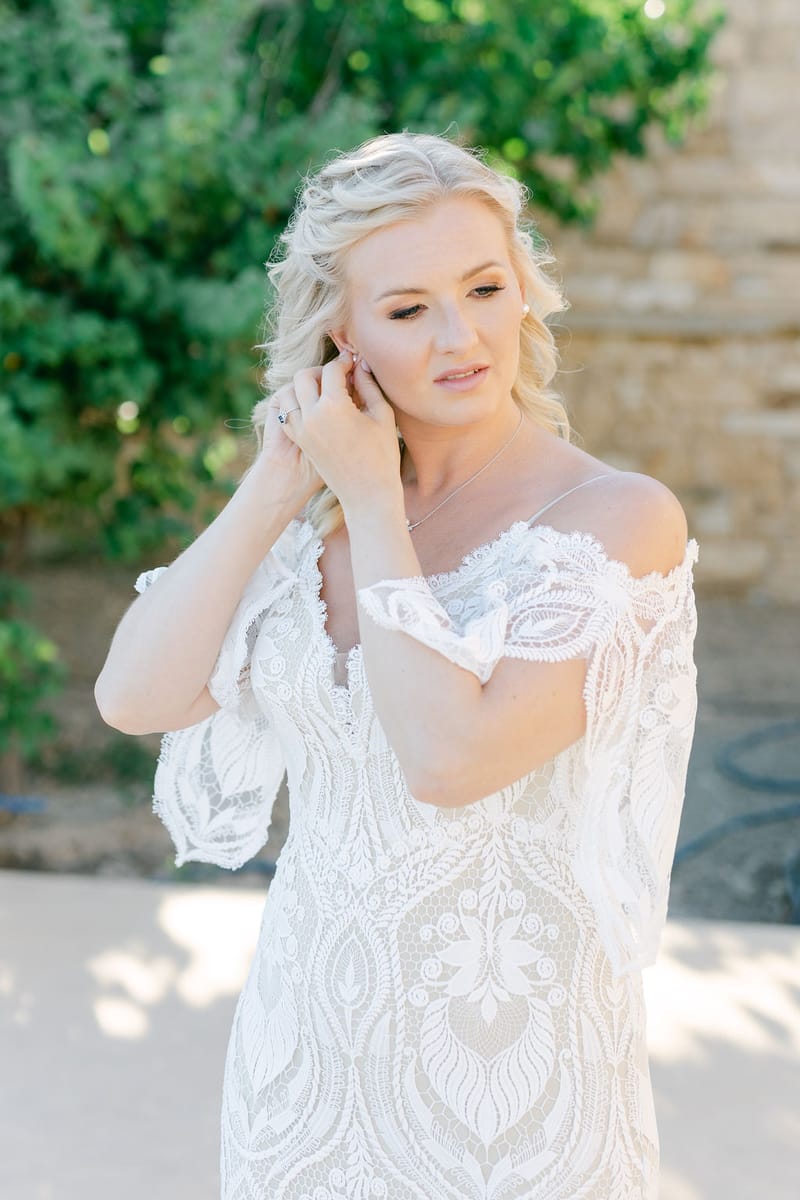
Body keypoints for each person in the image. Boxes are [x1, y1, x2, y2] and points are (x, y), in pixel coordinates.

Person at [95, 131, 699, 1200]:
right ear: (343, 337)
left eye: (483, 287)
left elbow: (445, 757)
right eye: (408, 308)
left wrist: (373, 504)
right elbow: (136, 697)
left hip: (515, 1093)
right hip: (307, 1067)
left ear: (525, 294)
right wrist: (282, 482)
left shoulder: (615, 521)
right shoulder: (310, 530)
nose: (460, 336)